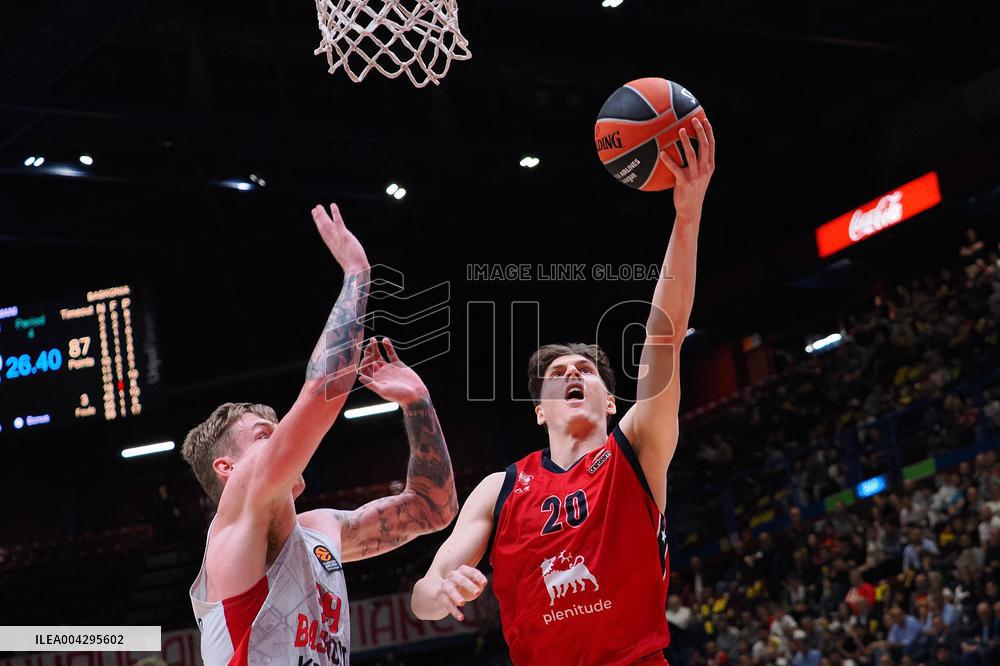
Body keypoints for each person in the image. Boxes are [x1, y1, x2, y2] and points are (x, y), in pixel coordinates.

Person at [410, 118, 717, 664]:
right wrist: (441, 591)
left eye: (586, 371)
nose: (573, 374)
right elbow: (422, 596)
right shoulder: (500, 488)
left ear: (612, 401)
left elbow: (664, 334)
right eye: (557, 374)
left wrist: (687, 216)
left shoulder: (636, 448)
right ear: (538, 411)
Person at [182, 204, 458, 665]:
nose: (282, 441)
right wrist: (358, 274)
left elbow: (433, 509)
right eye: (264, 436)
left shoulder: (320, 530)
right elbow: (323, 392)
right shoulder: (239, 515)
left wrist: (418, 403)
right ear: (227, 468)